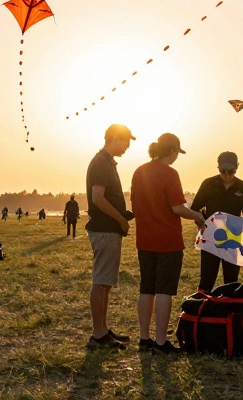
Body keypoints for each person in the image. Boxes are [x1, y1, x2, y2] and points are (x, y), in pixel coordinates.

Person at [131, 133, 206, 354]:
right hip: (168, 240)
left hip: (144, 239)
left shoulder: (139, 171)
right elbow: (177, 207)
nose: (176, 158)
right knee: (164, 291)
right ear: (172, 151)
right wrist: (196, 216)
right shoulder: (170, 174)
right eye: (176, 153)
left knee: (146, 288)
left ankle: (144, 339)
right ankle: (161, 342)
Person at [85, 124, 137, 351]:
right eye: (126, 141)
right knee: (101, 281)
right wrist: (120, 219)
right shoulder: (100, 163)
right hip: (105, 229)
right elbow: (98, 198)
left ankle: (103, 330)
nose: (127, 147)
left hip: (109, 228)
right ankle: (98, 334)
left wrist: (124, 214)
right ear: (114, 138)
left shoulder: (107, 162)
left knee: (105, 283)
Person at [190, 151, 243, 292]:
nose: (226, 174)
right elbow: (195, 208)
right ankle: (202, 308)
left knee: (231, 282)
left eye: (230, 171)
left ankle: (230, 311)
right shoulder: (208, 184)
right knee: (206, 279)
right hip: (211, 235)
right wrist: (202, 221)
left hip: (233, 237)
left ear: (237, 167)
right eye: (223, 170)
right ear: (218, 167)